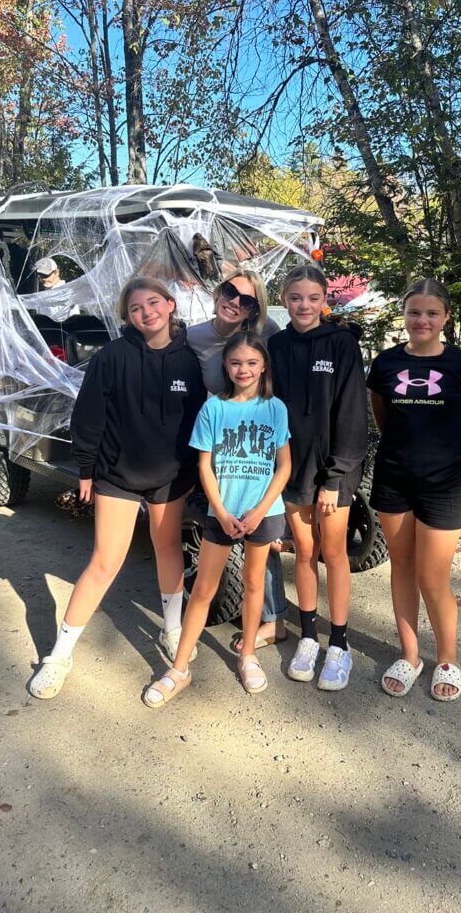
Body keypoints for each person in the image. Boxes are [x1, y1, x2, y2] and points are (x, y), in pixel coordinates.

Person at [27, 276, 206, 700]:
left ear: (170, 305)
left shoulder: (190, 360)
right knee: (105, 561)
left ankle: (173, 628)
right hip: (116, 473)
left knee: (167, 550)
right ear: (127, 316)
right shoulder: (112, 356)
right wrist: (86, 470)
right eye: (136, 308)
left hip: (171, 475)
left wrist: (199, 469)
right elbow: (89, 415)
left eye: (154, 303)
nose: (147, 312)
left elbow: (201, 418)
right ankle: (59, 656)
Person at [142, 331, 291, 706]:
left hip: (263, 513)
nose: (244, 369)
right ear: (225, 366)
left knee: (255, 584)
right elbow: (205, 466)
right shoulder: (213, 409)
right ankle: (178, 669)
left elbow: (284, 467)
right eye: (236, 362)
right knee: (204, 590)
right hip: (221, 515)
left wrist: (259, 511)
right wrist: (222, 512)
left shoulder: (276, 408)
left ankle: (248, 656)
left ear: (264, 367)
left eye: (252, 363)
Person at [367, 278, 461, 702]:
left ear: (445, 318)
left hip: (444, 486)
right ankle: (410, 654)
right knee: (401, 568)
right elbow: (384, 420)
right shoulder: (384, 364)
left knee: (432, 576)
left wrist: (454, 459)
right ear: (404, 315)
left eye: (431, 313)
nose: (422, 320)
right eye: (414, 312)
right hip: (394, 479)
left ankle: (447, 658)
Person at [268, 264, 368, 691]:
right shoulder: (275, 345)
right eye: (295, 298)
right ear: (284, 300)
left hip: (332, 472)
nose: (303, 306)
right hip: (291, 467)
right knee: (304, 553)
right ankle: (308, 636)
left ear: (324, 300)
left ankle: (339, 644)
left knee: (334, 552)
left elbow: (351, 416)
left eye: (312, 298)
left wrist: (335, 477)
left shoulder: (342, 344)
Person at [187, 269, 288, 653]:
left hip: (260, 441)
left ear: (253, 309)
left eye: (246, 299)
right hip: (218, 439)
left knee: (261, 530)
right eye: (230, 291)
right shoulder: (194, 336)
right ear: (219, 291)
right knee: (224, 520)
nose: (235, 301)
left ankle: (273, 617)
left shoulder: (269, 331)